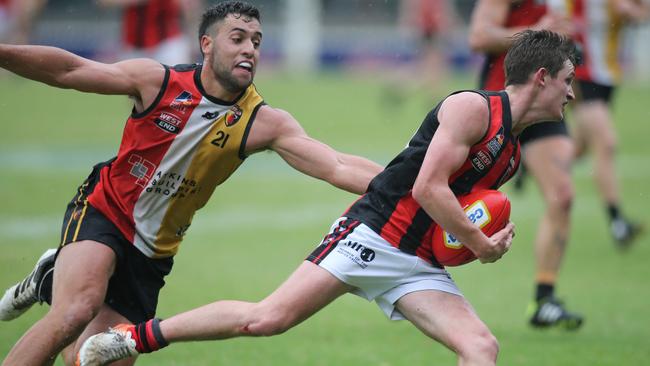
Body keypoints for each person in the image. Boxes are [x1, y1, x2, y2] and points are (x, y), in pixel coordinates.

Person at [78, 29, 577, 366]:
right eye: (568, 81)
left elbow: (447, 224)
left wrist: (470, 242)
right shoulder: (471, 108)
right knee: (266, 319)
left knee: (481, 347)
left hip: (418, 264)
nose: (573, 94)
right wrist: (479, 242)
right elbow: (428, 187)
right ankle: (129, 338)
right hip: (372, 235)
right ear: (541, 77)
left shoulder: (510, 153)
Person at [0, 2, 383, 365]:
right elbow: (69, 70)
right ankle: (62, 285)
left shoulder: (263, 121)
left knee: (85, 357)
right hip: (105, 210)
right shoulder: (158, 82)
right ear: (207, 44)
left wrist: (412, 187)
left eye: (256, 41)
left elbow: (336, 164)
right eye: (237, 38)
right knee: (74, 311)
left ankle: (51, 278)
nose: (249, 48)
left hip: (153, 253)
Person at [469, 0, 584, 330]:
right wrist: (538, 35)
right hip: (505, 103)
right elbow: (479, 36)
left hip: (547, 104)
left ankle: (544, 299)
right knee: (458, 193)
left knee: (562, 195)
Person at [570, 0, 648, 248]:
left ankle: (529, 160)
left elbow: (642, 13)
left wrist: (632, 11)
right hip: (579, 71)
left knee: (580, 148)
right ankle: (618, 222)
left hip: (608, 74)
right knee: (606, 143)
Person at [97, 0, 203, 65]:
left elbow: (190, 9)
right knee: (137, 94)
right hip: (134, 44)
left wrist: (192, 41)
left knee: (175, 89)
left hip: (168, 43)